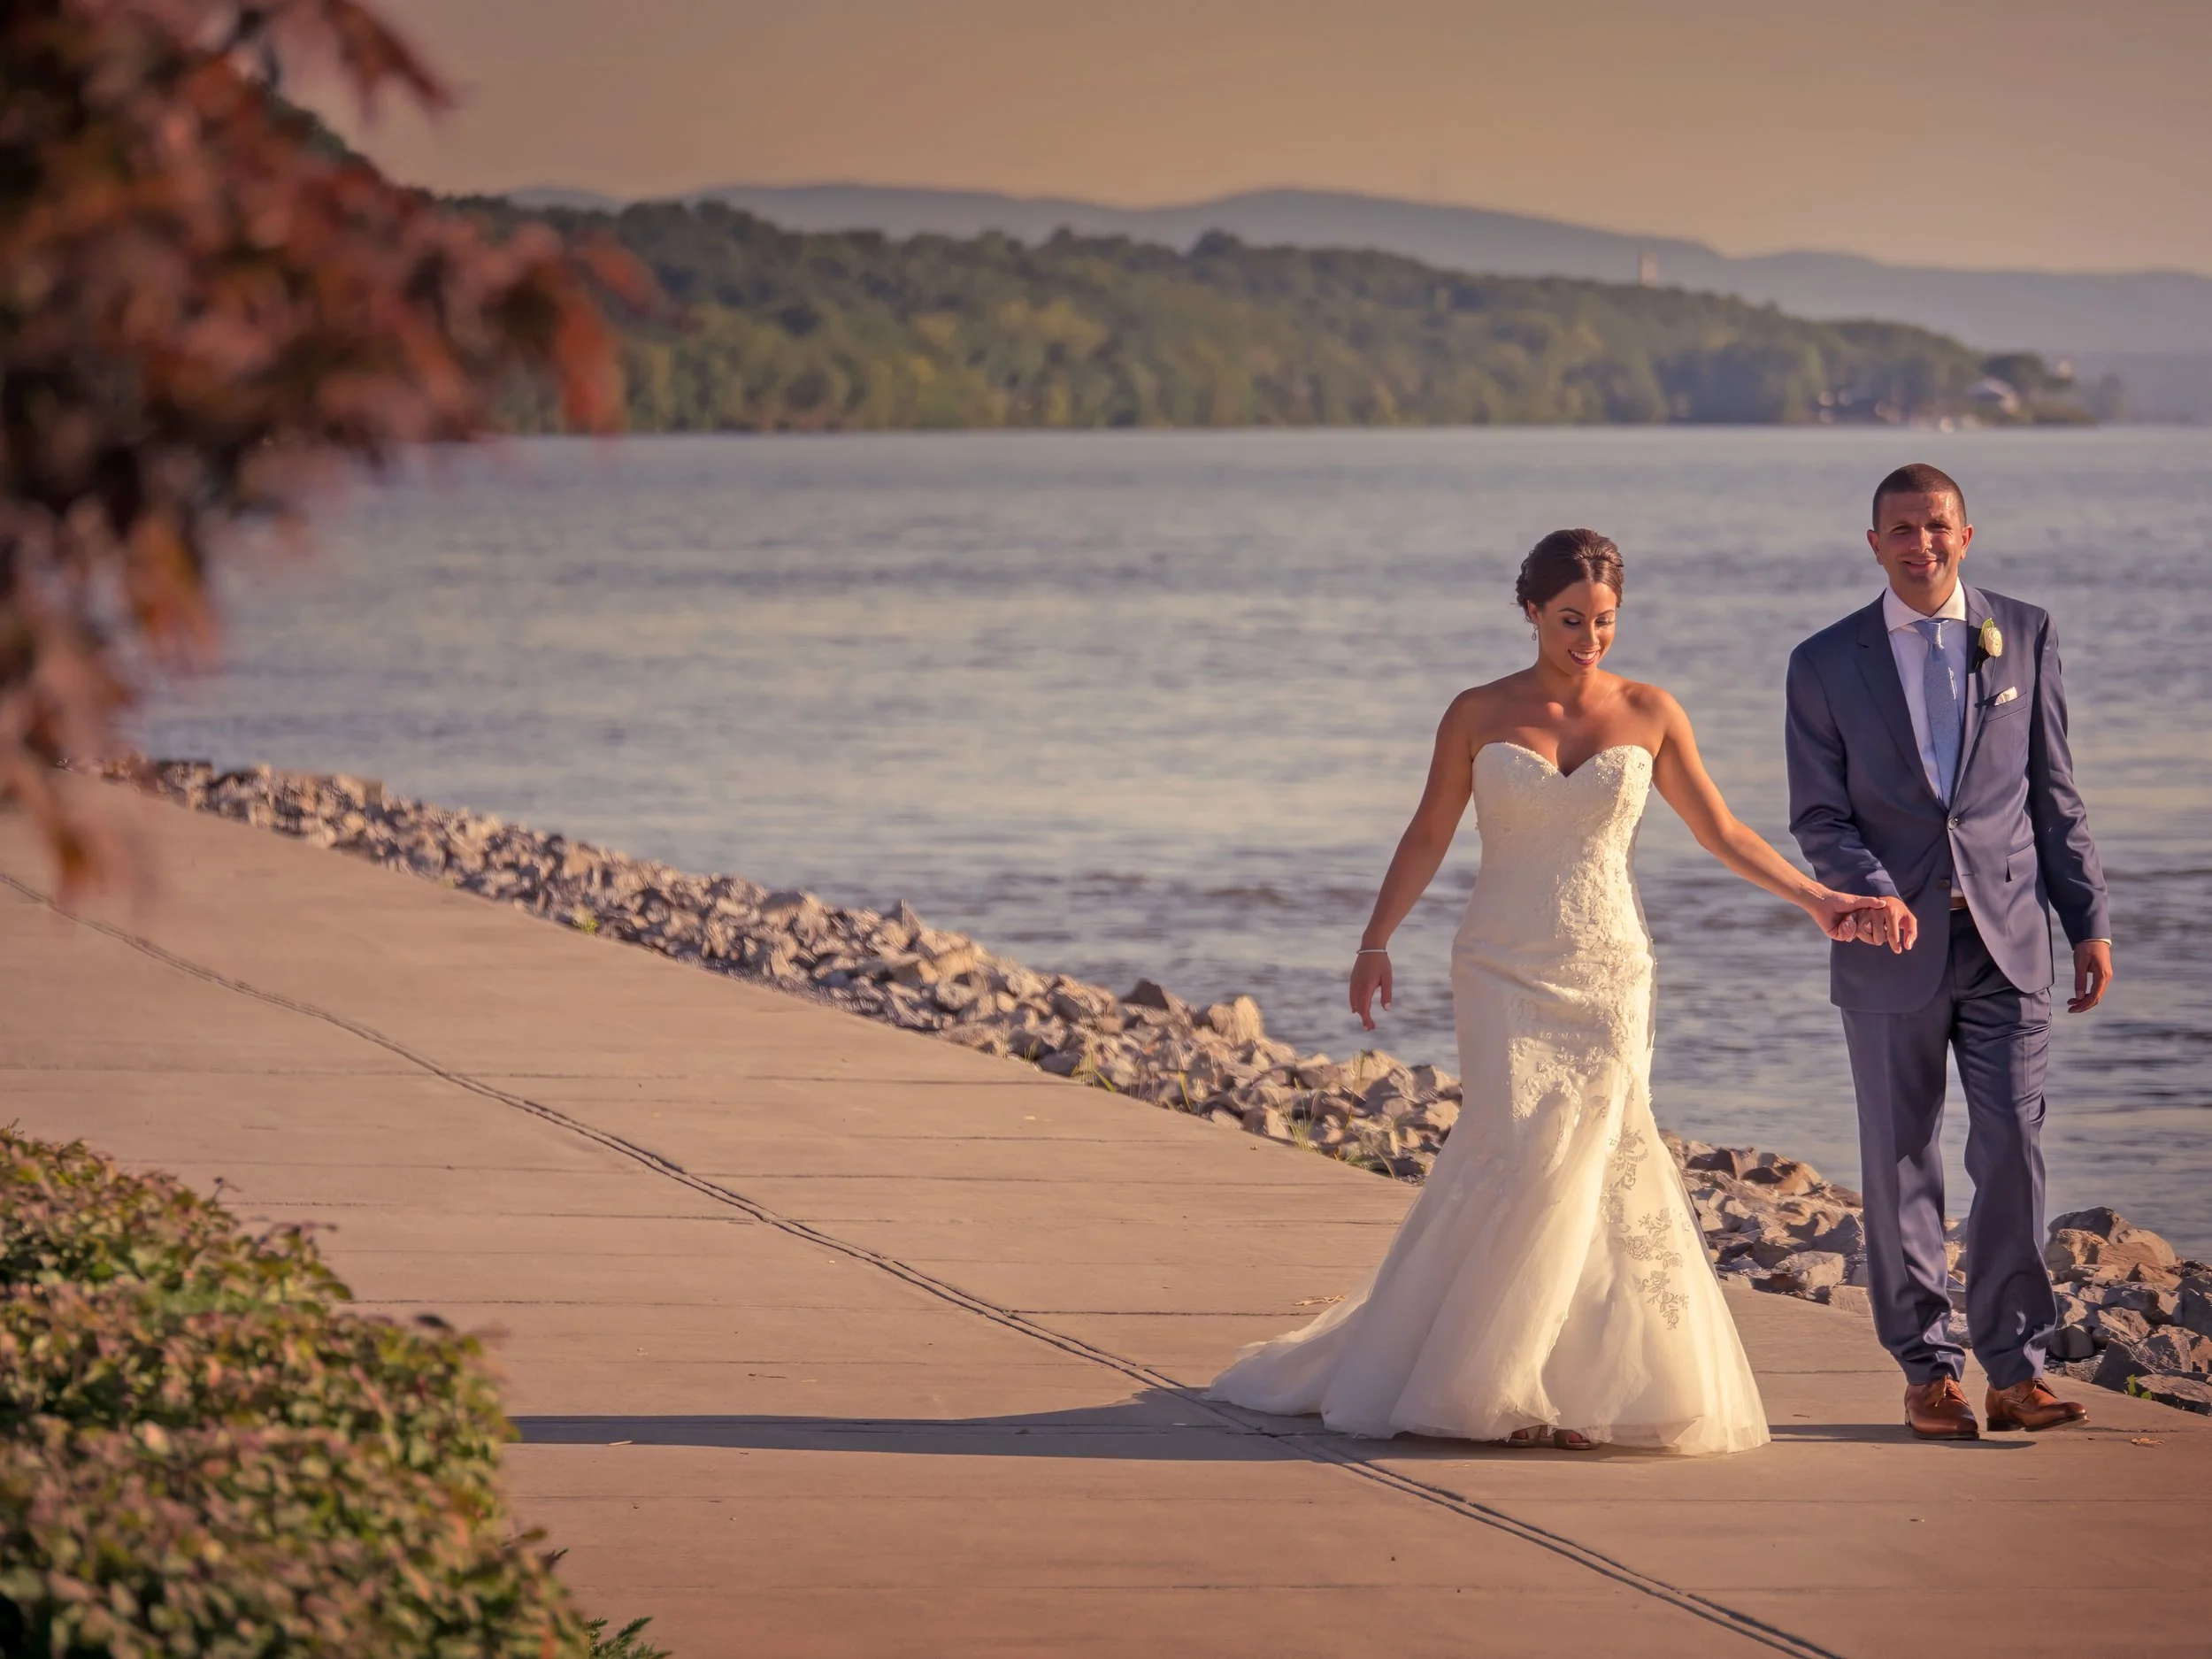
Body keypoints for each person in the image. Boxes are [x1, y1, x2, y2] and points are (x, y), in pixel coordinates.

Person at [1209, 529, 1885, 1454]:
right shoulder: (1477, 712)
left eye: (1604, 621)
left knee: (1601, 1165)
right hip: (1498, 965)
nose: (1589, 640)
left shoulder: (1650, 711)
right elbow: (1426, 834)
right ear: (1529, 611)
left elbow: (1721, 829)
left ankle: (1588, 1391)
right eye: (1570, 620)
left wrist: (1816, 898)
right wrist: (1375, 939)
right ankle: (1498, 1385)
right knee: (1519, 1153)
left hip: (1609, 971)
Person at [1785, 463, 2111, 1441]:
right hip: (1888, 947)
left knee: (2012, 1145)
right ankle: (1927, 1371)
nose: (1920, 543)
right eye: (1901, 529)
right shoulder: (1824, 660)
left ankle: (2015, 1369)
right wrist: (1873, 894)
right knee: (1898, 1160)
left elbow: (2053, 794)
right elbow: (1819, 814)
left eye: (1936, 526)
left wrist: (2087, 918)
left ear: (1964, 535)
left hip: (2010, 942)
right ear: (1873, 542)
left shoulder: (2026, 631)